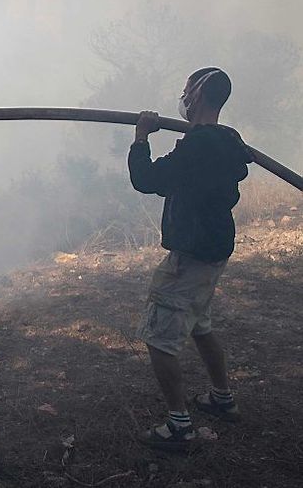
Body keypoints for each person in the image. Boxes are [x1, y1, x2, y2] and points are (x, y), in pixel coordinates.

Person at [128, 67, 253, 450]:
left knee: (160, 339)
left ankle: (180, 426)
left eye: (185, 89)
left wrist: (140, 138)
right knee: (199, 323)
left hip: (192, 254)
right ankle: (221, 399)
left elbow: (146, 179)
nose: (182, 96)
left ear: (197, 95)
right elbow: (239, 167)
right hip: (214, 249)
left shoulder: (197, 145)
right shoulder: (228, 139)